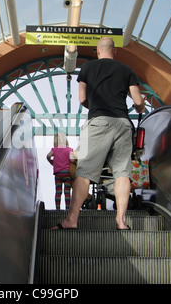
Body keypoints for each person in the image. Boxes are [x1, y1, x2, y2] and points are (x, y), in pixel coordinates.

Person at [54, 37, 145, 230]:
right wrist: (141, 104)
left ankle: (71, 220)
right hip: (122, 124)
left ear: (97, 51)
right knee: (122, 173)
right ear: (115, 51)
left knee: (84, 172)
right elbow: (138, 103)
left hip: (97, 122)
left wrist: (93, 105)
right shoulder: (126, 70)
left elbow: (82, 98)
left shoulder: (87, 68)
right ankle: (121, 221)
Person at [46, 133, 76, 210]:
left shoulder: (54, 149)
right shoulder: (70, 149)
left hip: (58, 174)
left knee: (58, 192)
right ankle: (67, 209)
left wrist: (51, 162)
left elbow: (48, 156)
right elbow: (72, 160)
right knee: (67, 192)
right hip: (67, 174)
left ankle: (58, 209)